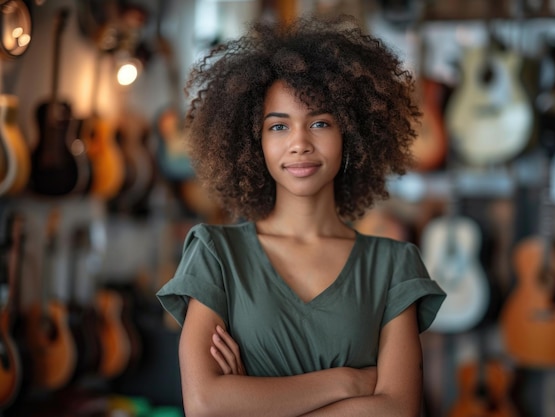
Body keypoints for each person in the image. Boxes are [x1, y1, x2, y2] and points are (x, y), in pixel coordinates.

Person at [156, 14, 446, 417]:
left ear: (352, 133)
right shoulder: (216, 255)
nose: (299, 144)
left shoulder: (394, 266)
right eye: (278, 127)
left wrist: (254, 400)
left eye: (320, 122)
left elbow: (395, 411)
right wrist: (349, 382)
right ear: (251, 139)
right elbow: (205, 405)